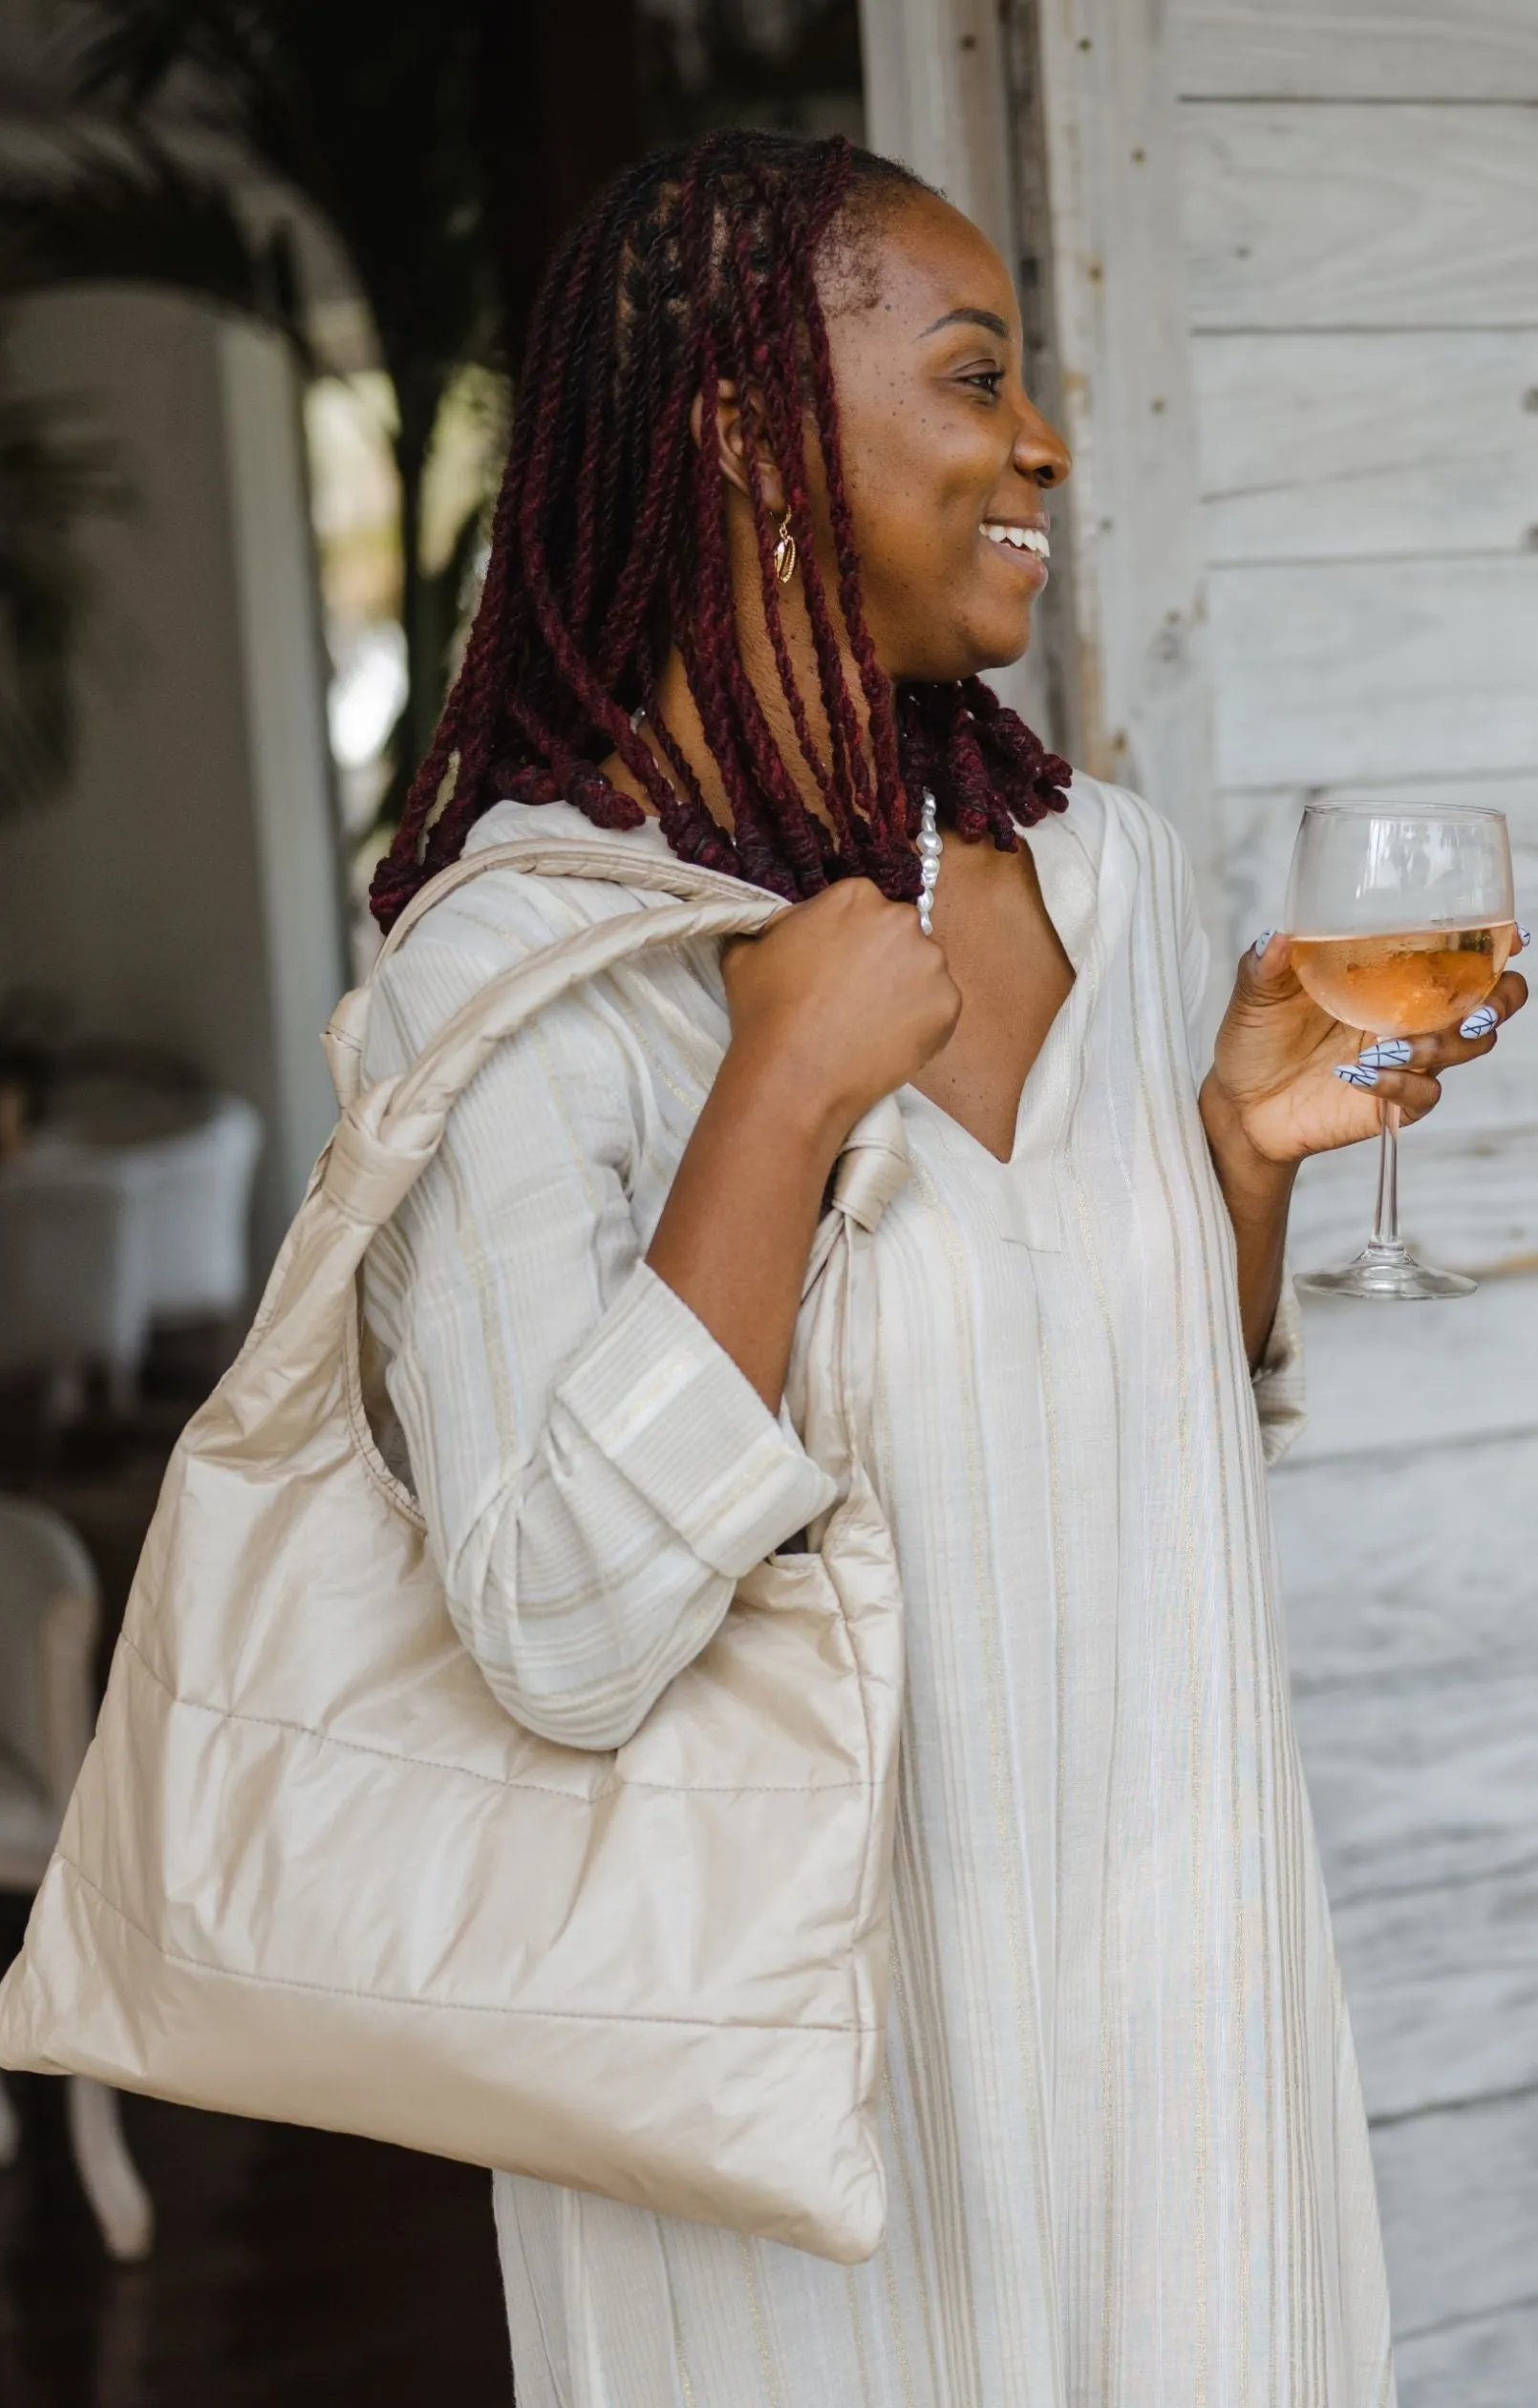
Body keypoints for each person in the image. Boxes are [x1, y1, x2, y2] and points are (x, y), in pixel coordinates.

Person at [359, 129, 1524, 2405]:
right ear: (743, 437)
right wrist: (777, 1099)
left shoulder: (1109, 873)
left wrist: (1235, 1162)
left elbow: (1130, 1465)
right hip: (809, 2136)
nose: (1043, 444)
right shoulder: (515, 969)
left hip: (1179, 2056)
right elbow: (560, 1640)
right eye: (974, 378)